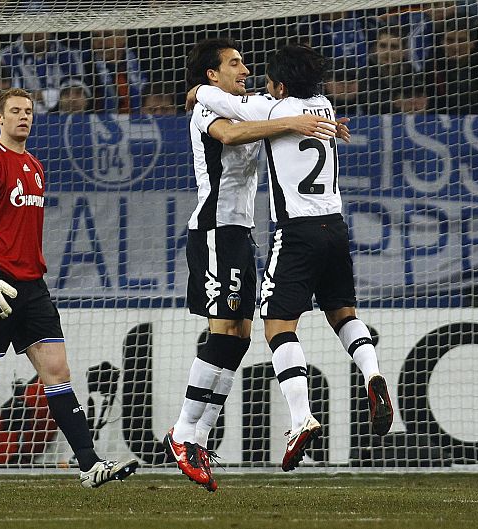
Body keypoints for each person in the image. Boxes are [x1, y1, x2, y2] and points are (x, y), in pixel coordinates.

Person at [188, 43, 394, 473]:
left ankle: (300, 418)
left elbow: (215, 100)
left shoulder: (270, 109)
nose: (251, 75)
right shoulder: (323, 107)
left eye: (262, 75)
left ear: (279, 85)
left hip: (297, 232)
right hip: (336, 227)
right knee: (343, 313)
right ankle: (372, 373)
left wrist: (195, 92)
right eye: (236, 64)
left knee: (278, 327)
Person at [164, 38, 342, 493]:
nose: (245, 68)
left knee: (241, 337)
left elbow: (258, 111)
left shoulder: (249, 103)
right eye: (234, 63)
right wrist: (290, 121)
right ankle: (183, 432)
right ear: (212, 74)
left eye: (244, 62)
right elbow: (229, 135)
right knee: (223, 331)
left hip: (239, 232)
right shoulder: (210, 110)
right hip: (213, 230)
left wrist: (301, 120)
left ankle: (199, 438)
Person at [0, 87, 138, 488]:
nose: (23, 117)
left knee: (57, 370)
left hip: (32, 287)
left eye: (28, 111)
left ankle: (90, 464)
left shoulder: (34, 165)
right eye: (14, 111)